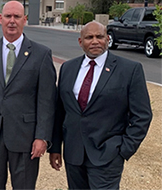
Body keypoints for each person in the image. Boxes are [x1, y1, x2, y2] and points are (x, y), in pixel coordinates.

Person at [49, 21, 152, 190]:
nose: (95, 41)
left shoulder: (129, 70)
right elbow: (60, 111)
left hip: (108, 154)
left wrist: (124, 149)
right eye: (89, 37)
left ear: (108, 39)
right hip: (74, 154)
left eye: (100, 36)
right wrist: (55, 147)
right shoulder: (68, 68)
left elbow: (142, 115)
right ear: (81, 42)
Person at [0, 0, 57, 189]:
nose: (12, 21)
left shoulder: (41, 54)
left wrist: (42, 137)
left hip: (25, 137)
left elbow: (47, 101)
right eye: (8, 16)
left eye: (17, 16)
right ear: (0, 19)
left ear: (24, 20)